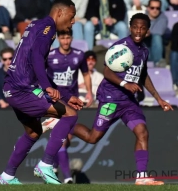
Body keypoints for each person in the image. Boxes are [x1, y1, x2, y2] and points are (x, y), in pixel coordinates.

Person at [45, 13, 173, 186]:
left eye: (143, 28)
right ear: (130, 27)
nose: (138, 31)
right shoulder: (121, 47)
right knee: (92, 138)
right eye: (135, 27)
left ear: (147, 31)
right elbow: (106, 71)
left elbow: (143, 74)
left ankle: (142, 177)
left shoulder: (144, 50)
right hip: (111, 98)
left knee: (142, 132)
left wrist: (158, 98)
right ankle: (63, 123)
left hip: (128, 102)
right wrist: (125, 84)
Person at [0, 0, 84, 185]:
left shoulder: (36, 25)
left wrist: (67, 96)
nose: (73, 20)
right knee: (70, 115)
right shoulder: (49, 29)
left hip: (12, 87)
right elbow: (37, 57)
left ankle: (7, 176)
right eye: (72, 15)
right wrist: (47, 88)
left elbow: (38, 64)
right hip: (22, 89)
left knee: (33, 132)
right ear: (60, 12)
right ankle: (45, 165)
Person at [41, 29, 93, 184]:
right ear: (58, 39)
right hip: (55, 100)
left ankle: (53, 166)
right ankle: (68, 178)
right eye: (62, 38)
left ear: (71, 38)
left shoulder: (79, 55)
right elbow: (40, 75)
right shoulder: (50, 56)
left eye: (68, 37)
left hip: (72, 100)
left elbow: (85, 74)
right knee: (63, 139)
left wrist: (89, 92)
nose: (65, 41)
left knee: (66, 139)